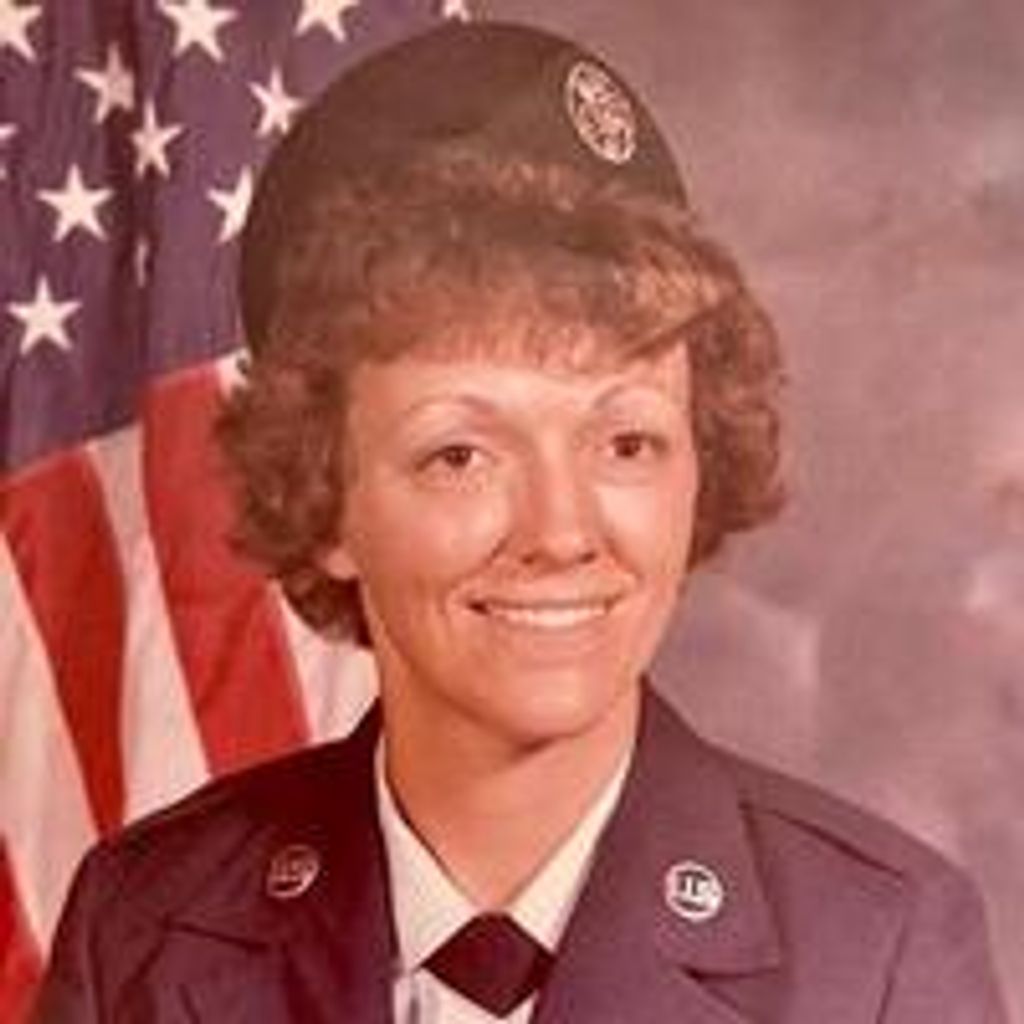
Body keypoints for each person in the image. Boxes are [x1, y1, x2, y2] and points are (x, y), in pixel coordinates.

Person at [33, 21, 1007, 1024]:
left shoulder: (874, 958)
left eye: (625, 442)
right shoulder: (145, 929)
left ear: (698, 463)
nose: (560, 530)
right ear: (325, 501)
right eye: (461, 455)